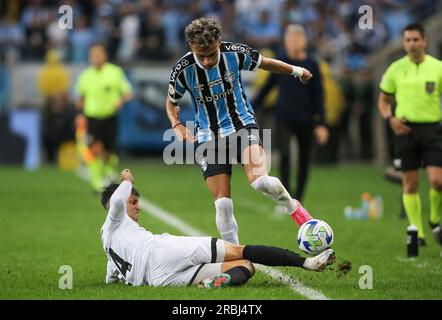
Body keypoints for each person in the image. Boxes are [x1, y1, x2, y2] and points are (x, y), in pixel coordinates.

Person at [166, 17, 315, 245]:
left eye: (211, 55)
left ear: (218, 41)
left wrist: (297, 71)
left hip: (242, 125)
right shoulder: (182, 70)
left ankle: (294, 208)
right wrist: (176, 124)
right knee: (223, 204)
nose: (206, 61)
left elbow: (266, 63)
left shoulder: (234, 53)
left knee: (261, 182)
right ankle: (235, 255)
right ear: (191, 47)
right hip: (208, 136)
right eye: (200, 56)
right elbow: (171, 102)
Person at [101, 168, 336, 288]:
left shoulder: (107, 242)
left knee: (245, 267)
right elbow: (119, 201)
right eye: (135, 202)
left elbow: (111, 278)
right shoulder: (114, 219)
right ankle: (308, 263)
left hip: (159, 280)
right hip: (162, 250)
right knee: (242, 251)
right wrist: (127, 181)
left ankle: (220, 282)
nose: (138, 207)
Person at [378, 23, 442, 250]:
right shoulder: (395, 69)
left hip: (433, 130)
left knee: (437, 181)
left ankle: (435, 220)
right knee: (410, 183)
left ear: (424, 41)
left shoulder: (438, 67)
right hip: (405, 131)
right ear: (404, 43)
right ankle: (417, 231)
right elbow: (384, 100)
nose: (412, 44)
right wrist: (390, 120)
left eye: (416, 39)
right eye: (408, 40)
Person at [254, 24, 328, 205]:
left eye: (298, 38)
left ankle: (299, 199)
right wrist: (251, 108)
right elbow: (267, 88)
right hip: (284, 118)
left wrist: (322, 123)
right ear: (286, 42)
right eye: (291, 39)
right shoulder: (282, 63)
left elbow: (319, 94)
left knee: (304, 160)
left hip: (306, 119)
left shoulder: (313, 65)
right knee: (285, 156)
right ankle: (287, 200)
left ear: (304, 41)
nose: (295, 42)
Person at [75, 42, 133, 192]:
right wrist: (80, 115)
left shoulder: (115, 72)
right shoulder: (85, 75)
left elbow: (128, 92)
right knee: (94, 149)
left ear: (105, 56)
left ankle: (107, 174)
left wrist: (120, 101)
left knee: (108, 153)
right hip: (92, 117)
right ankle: (96, 182)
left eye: (98, 54)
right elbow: (80, 98)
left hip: (110, 117)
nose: (95, 57)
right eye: (93, 55)